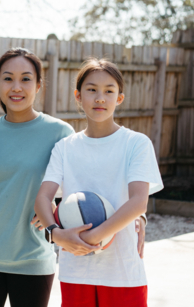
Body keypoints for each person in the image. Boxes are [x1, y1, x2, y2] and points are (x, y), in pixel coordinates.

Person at [0, 49, 147, 307]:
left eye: (26, 79)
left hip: (35, 260)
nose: (17, 87)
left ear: (38, 85)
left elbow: (89, 184)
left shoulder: (60, 134)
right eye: (8, 79)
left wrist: (136, 216)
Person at [34, 58, 163, 307]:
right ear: (78, 96)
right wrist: (56, 234)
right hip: (76, 271)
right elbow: (42, 198)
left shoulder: (136, 143)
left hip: (123, 271)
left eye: (109, 91)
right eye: (91, 89)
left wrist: (95, 236)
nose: (100, 98)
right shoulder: (64, 147)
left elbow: (138, 202)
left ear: (120, 98)